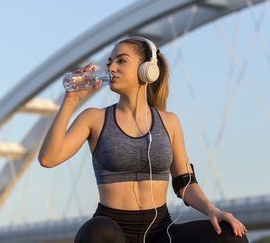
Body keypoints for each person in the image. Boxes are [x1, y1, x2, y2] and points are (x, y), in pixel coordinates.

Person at [38, 36, 248, 243]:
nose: (111, 68)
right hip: (113, 232)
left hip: (161, 232)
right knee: (96, 231)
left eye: (121, 61)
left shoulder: (170, 122)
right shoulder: (94, 118)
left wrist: (213, 211)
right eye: (110, 62)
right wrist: (70, 101)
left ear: (147, 69)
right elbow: (48, 159)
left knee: (231, 235)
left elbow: (185, 182)